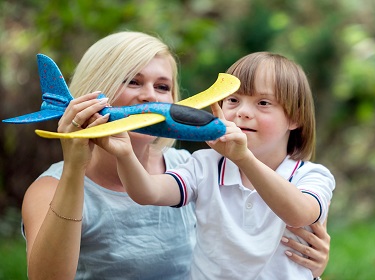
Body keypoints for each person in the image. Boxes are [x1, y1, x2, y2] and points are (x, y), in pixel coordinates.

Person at [20, 31, 330, 279]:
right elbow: (145, 192)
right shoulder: (203, 167)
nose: (149, 97)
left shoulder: (185, 163)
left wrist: (308, 263)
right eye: (133, 81)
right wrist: (77, 166)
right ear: (93, 91)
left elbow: (291, 218)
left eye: (163, 86)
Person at [100, 51, 335, 279]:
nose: (242, 112)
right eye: (233, 100)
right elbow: (147, 192)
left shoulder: (312, 176)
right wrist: (125, 155)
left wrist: (244, 159)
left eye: (263, 102)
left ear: (295, 117)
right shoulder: (204, 166)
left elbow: (300, 215)